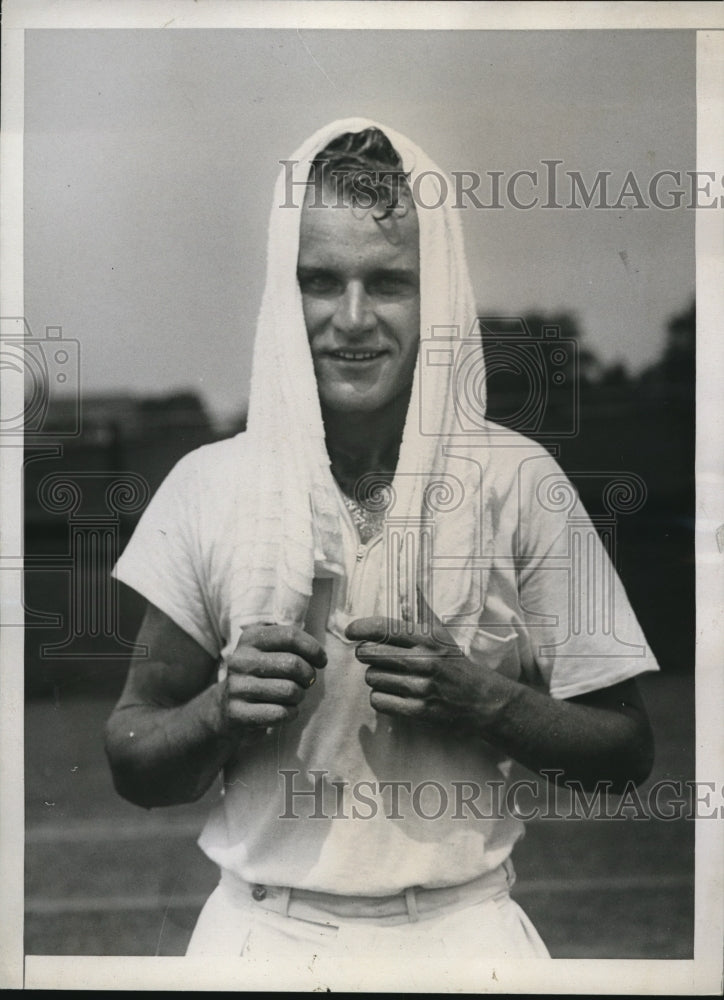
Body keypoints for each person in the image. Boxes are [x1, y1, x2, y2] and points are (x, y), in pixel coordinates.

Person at [105, 119, 657, 985]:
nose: (352, 319)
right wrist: (220, 709)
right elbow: (133, 755)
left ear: (434, 297)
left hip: (464, 935)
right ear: (283, 294)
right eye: (320, 280)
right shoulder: (208, 485)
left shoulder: (518, 479)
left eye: (388, 283)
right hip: (258, 940)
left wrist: (483, 701)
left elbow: (627, 754)